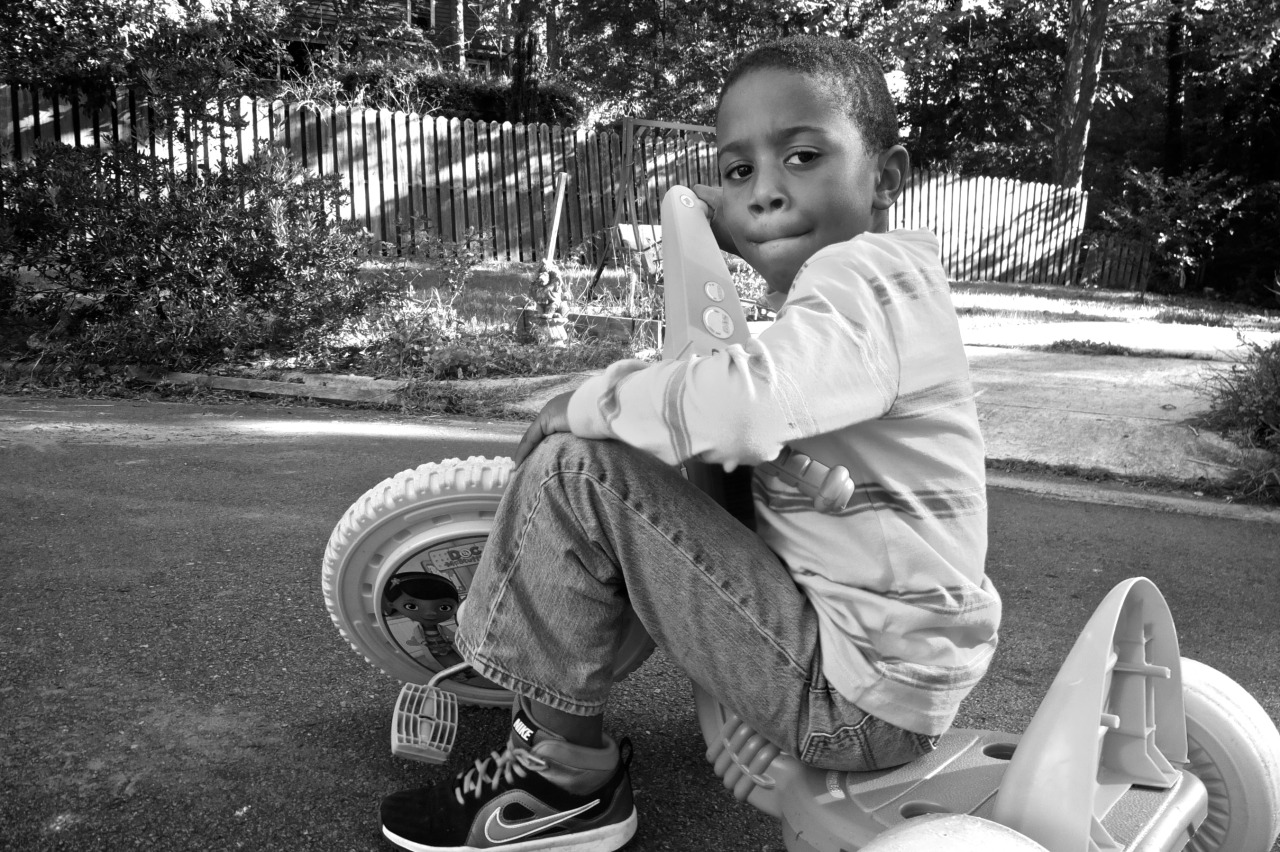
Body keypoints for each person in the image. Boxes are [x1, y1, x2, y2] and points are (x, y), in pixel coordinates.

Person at [379, 34, 1001, 852]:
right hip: (884, 677)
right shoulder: (862, 305)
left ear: (886, 177)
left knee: (580, 472)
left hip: (856, 695)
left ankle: (561, 782)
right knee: (649, 455)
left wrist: (592, 400)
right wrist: (701, 235)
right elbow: (737, 394)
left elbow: (742, 407)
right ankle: (561, 677)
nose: (766, 195)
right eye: (739, 171)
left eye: (804, 156)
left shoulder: (868, 279)